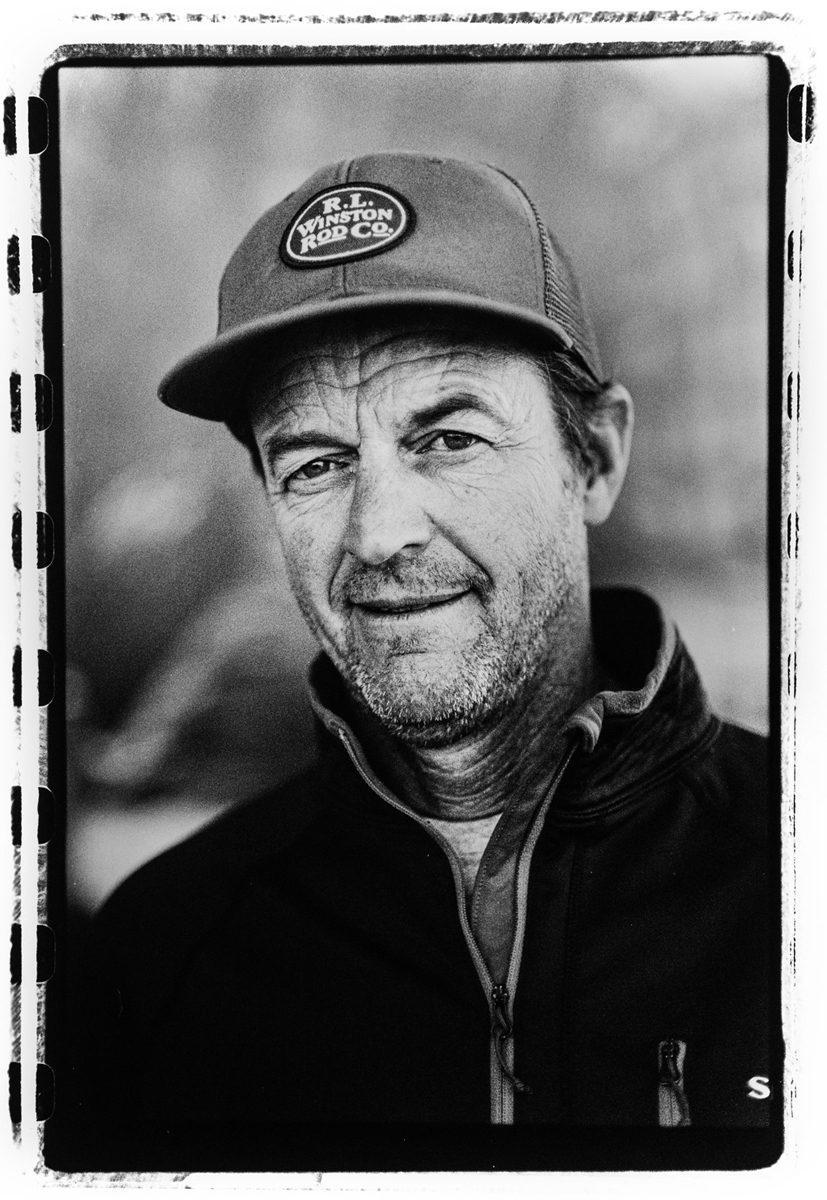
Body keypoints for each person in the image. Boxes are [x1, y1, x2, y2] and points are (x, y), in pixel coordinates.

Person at [76, 154, 773, 1144]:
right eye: (315, 463)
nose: (376, 532)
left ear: (596, 459)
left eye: (448, 439)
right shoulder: (159, 954)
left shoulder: (791, 882)